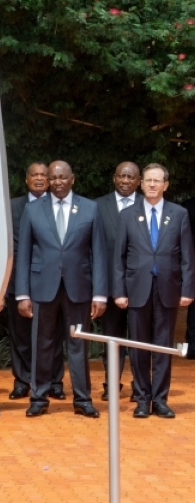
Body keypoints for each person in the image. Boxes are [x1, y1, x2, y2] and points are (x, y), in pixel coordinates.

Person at [15, 160, 107, 418]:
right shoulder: (34, 210)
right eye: (52, 178)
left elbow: (98, 252)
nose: (56, 182)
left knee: (78, 344)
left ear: (72, 179)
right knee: (41, 344)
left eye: (61, 177)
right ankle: (38, 397)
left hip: (79, 288)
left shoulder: (90, 208)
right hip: (42, 288)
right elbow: (22, 255)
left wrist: (99, 293)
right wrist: (23, 294)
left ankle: (82, 399)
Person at [113, 164, 193, 419]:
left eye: (157, 181)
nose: (152, 185)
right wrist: (119, 291)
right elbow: (119, 258)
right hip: (137, 290)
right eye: (148, 181)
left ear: (165, 185)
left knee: (162, 347)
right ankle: (141, 398)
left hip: (168, 290)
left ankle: (160, 400)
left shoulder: (179, 214)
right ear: (141, 184)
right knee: (138, 347)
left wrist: (188, 289)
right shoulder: (127, 214)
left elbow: (188, 257)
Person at [5, 162, 53, 401]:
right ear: (26, 179)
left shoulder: (58, 205)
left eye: (44, 175)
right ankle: (22, 380)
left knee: (51, 335)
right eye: (34, 174)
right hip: (18, 280)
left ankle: (53, 381)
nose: (39, 178)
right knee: (20, 335)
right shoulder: (12, 207)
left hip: (50, 280)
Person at [95, 162, 141, 401]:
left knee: (139, 339)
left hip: (140, 286)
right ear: (114, 178)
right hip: (111, 285)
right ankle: (111, 383)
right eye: (121, 176)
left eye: (130, 177)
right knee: (112, 338)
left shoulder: (148, 205)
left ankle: (140, 386)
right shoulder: (98, 206)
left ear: (138, 181)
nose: (125, 180)